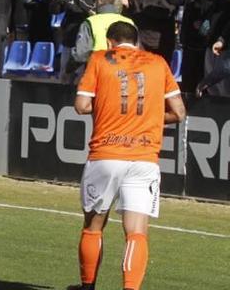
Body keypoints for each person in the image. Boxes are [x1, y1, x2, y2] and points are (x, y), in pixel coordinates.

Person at [72, 21, 186, 290]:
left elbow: (81, 105)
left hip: (107, 153)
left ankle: (88, 286)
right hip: (144, 156)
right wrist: (151, 118)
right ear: (136, 41)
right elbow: (179, 112)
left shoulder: (100, 59)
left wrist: (106, 108)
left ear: (111, 42)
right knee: (136, 231)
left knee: (94, 224)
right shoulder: (158, 63)